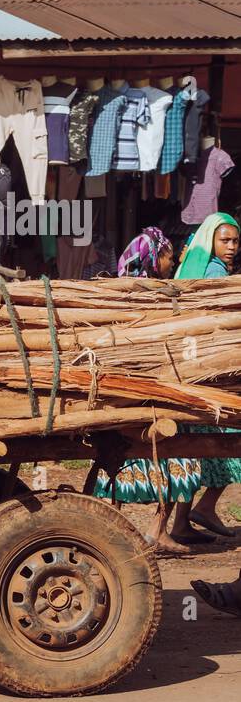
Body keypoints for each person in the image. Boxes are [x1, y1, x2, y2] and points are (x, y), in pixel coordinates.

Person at [92, 227, 206, 551]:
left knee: (124, 460)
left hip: (131, 397)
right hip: (146, 395)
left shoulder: (122, 292)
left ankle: (149, 530)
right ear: (154, 257)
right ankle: (150, 530)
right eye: (169, 255)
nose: (174, 261)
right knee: (172, 456)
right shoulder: (152, 295)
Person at [175, 213, 241, 539]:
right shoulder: (215, 273)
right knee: (223, 444)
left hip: (192, 370)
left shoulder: (194, 267)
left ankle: (181, 522)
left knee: (192, 449)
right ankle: (204, 508)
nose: (231, 247)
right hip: (213, 373)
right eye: (224, 240)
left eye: (235, 241)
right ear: (211, 241)